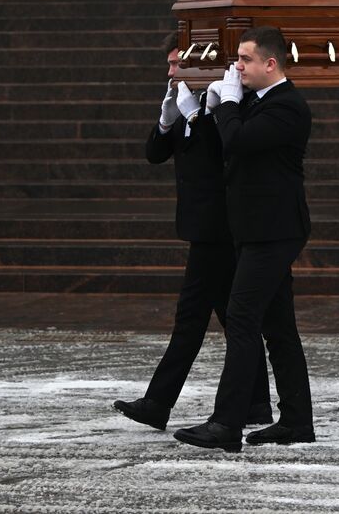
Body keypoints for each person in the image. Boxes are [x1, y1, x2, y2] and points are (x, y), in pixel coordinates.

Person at [114, 35, 270, 432]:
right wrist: (169, 120)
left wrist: (198, 119)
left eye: (175, 65)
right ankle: (254, 405)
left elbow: (222, 155)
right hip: (202, 228)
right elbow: (155, 153)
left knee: (194, 320)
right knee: (229, 321)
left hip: (219, 229)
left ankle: (159, 402)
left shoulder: (225, 103)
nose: (170, 73)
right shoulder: (191, 103)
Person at [174, 27, 315, 451]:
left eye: (245, 59)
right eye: (237, 59)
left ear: (270, 63)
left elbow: (237, 141)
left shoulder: (287, 106)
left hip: (274, 231)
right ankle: (296, 421)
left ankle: (227, 423)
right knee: (278, 327)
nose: (237, 67)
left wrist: (229, 103)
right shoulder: (260, 103)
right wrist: (207, 112)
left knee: (241, 318)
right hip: (256, 229)